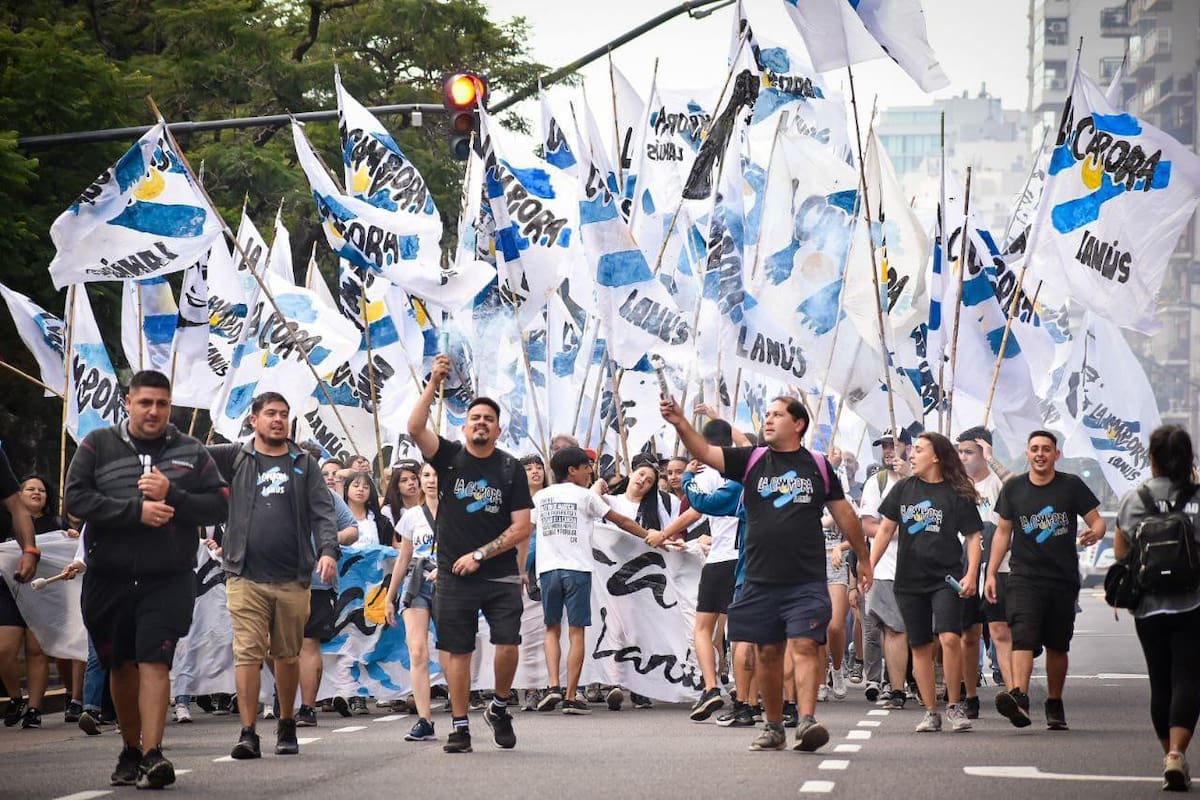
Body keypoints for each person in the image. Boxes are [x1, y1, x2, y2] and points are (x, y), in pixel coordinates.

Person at [662, 394, 871, 753]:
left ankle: (806, 721)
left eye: (777, 415)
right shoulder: (751, 460)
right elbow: (707, 452)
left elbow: (844, 514)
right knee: (768, 653)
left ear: (798, 424)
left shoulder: (818, 466)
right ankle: (774, 726)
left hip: (805, 578)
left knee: (805, 646)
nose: (769, 420)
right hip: (758, 578)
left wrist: (863, 558)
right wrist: (681, 423)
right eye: (767, 415)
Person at [65, 370, 228, 789]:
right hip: (109, 578)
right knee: (120, 665)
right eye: (145, 403)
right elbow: (76, 500)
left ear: (170, 406)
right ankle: (130, 748)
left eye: (162, 403)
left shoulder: (191, 451)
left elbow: (220, 504)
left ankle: (154, 754)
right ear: (129, 403)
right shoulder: (97, 445)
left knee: (155, 660)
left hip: (168, 577)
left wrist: (172, 494)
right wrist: (135, 511)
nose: (154, 411)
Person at [407, 354, 533, 754]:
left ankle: (498, 706)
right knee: (458, 649)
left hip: (497, 575)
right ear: (464, 426)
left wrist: (480, 554)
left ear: (498, 429)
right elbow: (414, 427)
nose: (481, 422)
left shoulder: (510, 469)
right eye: (475, 417)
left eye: (489, 419)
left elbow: (522, 526)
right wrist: (433, 383)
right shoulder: (448, 457)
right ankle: (459, 725)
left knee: (508, 644)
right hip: (453, 576)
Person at [207, 392, 339, 760]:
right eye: (270, 414)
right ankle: (248, 732)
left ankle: (286, 722)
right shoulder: (234, 456)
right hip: (244, 574)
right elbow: (189, 459)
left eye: (283, 414)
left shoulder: (305, 463)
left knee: (285, 654)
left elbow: (323, 513)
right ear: (254, 420)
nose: (278, 420)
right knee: (247, 652)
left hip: (293, 578)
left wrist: (328, 551)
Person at [985, 430, 1104, 731]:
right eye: (1035, 449)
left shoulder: (1071, 486)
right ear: (1027, 453)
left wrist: (1097, 532)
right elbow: (1002, 532)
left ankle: (1054, 701)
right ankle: (1019, 699)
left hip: (1062, 578)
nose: (1040, 454)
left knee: (1057, 644)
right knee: (1022, 635)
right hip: (1024, 576)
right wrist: (990, 571)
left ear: (1056, 455)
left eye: (1046, 449)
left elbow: (1097, 519)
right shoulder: (1014, 489)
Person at [871, 433, 983, 733]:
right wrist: (868, 565)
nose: (911, 455)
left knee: (949, 638)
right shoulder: (903, 488)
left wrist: (972, 573)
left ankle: (954, 705)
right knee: (919, 646)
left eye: (918, 450)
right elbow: (883, 531)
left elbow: (974, 536)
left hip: (946, 578)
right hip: (908, 580)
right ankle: (931, 711)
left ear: (935, 457)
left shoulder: (956, 493)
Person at [533, 446, 657, 715]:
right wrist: (649, 535)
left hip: (547, 570)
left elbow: (529, 530)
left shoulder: (541, 497)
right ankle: (570, 696)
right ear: (572, 470)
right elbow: (621, 520)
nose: (590, 471)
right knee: (576, 633)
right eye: (586, 466)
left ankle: (553, 685)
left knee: (551, 629)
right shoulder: (585, 496)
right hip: (577, 571)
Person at [1113, 425, 1200, 791]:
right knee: (1188, 678)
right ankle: (1177, 754)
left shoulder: (1135, 499)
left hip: (1148, 606)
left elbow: (1121, 550)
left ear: (1151, 459)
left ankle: (1169, 755)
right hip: (1193, 602)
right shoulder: (1197, 498)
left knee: (1159, 680)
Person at [681, 420, 741, 723]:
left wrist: (688, 475)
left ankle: (711, 686)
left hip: (719, 560)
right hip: (748, 560)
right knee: (741, 633)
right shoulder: (747, 470)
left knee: (703, 629)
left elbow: (695, 508)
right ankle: (747, 697)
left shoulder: (704, 475)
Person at [384, 463, 440, 741]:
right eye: (426, 476)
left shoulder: (459, 513)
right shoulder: (411, 516)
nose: (430, 481)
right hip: (416, 583)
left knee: (454, 651)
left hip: (449, 583)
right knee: (417, 651)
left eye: (435, 475)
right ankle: (424, 719)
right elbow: (403, 558)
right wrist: (390, 597)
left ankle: (459, 717)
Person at [955, 427, 1009, 715]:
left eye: (969, 452)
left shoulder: (998, 484)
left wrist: (993, 459)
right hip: (966, 570)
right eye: (960, 452)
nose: (963, 457)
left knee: (1000, 630)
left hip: (998, 568)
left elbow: (1017, 489)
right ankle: (971, 695)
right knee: (969, 634)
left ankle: (1014, 694)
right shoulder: (957, 486)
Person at [858, 429, 913, 709]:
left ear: (909, 446)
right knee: (892, 628)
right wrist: (899, 529)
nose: (889, 451)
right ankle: (896, 689)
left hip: (921, 568)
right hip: (886, 569)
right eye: (884, 446)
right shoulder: (875, 483)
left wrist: (907, 476)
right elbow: (868, 525)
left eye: (894, 445)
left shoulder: (921, 480)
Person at [0, 443, 41, 728]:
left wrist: (29, 551)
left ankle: (34, 707)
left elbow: (16, 508)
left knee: (28, 649)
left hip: (13, 580)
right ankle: (16, 698)